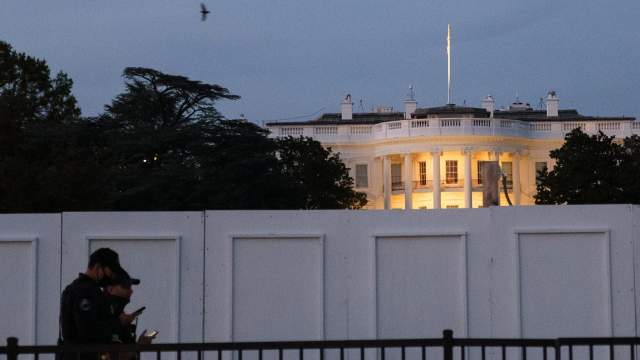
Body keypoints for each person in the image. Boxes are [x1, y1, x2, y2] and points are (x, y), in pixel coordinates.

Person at [59, 248, 136, 360]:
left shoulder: (77, 288)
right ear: (98, 267)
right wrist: (118, 322)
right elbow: (87, 330)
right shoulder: (85, 291)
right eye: (110, 272)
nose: (111, 277)